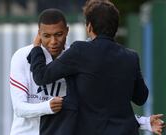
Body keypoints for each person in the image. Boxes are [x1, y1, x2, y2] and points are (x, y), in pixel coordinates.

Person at [10, 8, 164, 135]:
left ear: (69, 31)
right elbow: (19, 108)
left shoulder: (77, 55)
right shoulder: (22, 56)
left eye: (58, 34)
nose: (53, 41)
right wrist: (47, 106)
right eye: (46, 35)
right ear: (39, 33)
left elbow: (93, 108)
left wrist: (143, 122)